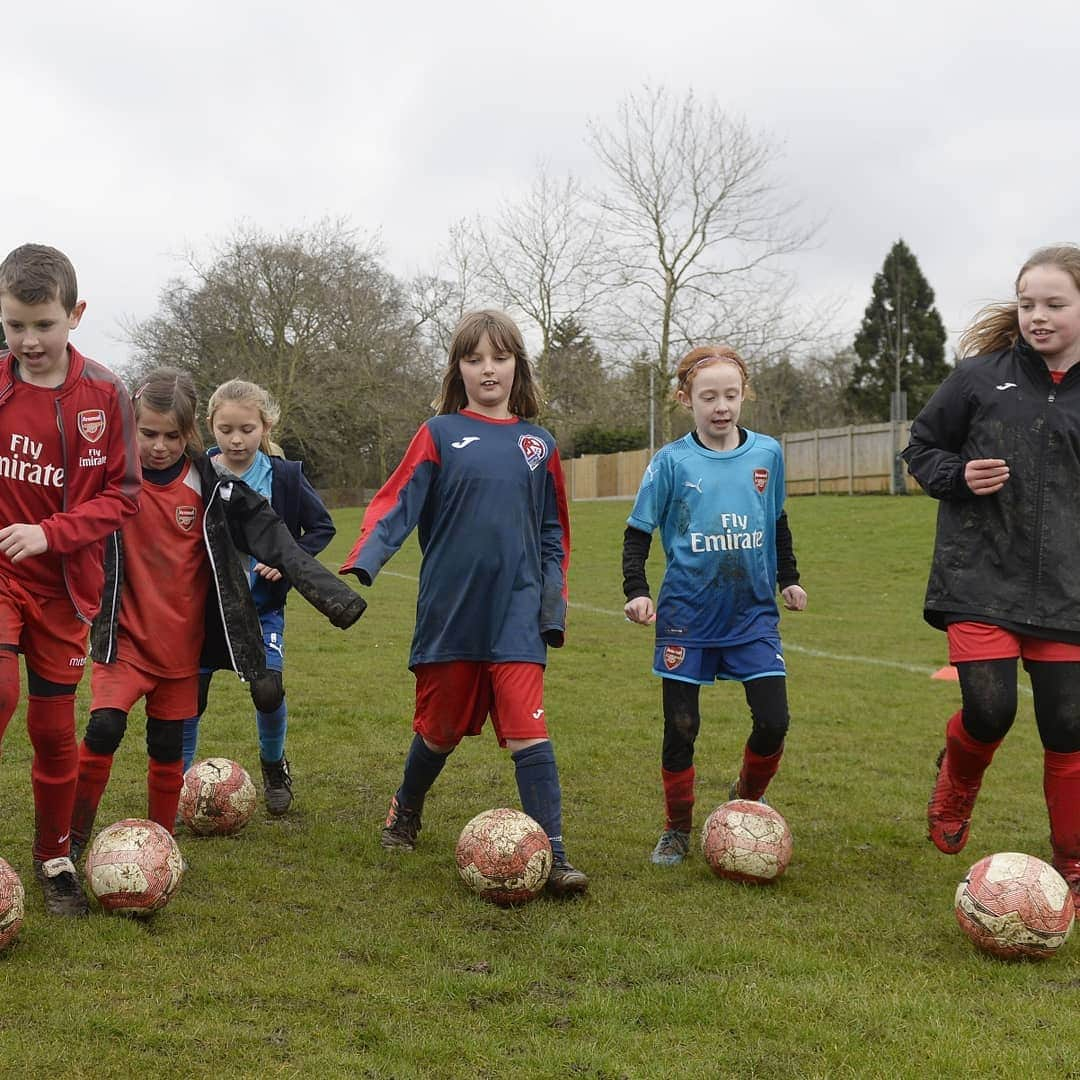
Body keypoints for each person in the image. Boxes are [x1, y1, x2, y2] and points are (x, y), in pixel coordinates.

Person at [340, 309, 588, 897]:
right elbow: (399, 501)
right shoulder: (440, 434)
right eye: (473, 358)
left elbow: (554, 530)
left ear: (517, 366)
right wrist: (366, 559)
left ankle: (552, 851)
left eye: (499, 357)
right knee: (441, 731)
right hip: (452, 610)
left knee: (531, 730)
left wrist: (551, 602)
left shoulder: (538, 444)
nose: (487, 369)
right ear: (458, 368)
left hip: (517, 612)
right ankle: (408, 805)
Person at [71, 369, 366, 859]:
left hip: (183, 645)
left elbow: (280, 542)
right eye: (148, 434)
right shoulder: (109, 477)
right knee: (104, 727)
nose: (159, 446)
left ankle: (160, 848)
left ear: (189, 433)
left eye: (171, 435)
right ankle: (70, 840)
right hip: (121, 639)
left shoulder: (214, 488)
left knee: (167, 744)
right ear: (130, 427)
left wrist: (336, 598)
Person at [902, 244, 1080, 902]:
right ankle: (956, 784)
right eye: (1027, 303)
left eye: (1054, 304)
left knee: (1069, 727)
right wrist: (959, 476)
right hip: (980, 577)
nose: (1037, 316)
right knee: (991, 707)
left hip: (1068, 589)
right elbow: (921, 449)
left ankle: (1074, 865)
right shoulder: (980, 378)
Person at [622, 345, 807, 866]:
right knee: (681, 727)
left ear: (743, 395)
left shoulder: (767, 454)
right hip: (687, 616)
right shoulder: (671, 462)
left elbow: (777, 522)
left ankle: (748, 796)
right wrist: (636, 590)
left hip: (752, 615)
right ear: (687, 400)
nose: (721, 406)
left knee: (774, 719)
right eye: (709, 397)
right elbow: (637, 533)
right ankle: (676, 829)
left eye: (731, 395)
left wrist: (789, 578)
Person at [0, 243, 140, 916]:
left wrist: (51, 534)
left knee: (55, 732)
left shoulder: (107, 395)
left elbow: (124, 496)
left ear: (75, 315)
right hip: (1, 574)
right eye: (14, 325)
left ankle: (54, 854)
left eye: (43, 324)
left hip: (65, 590)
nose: (28, 340)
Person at [182, 379, 336, 816]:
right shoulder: (197, 472)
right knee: (190, 695)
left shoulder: (285, 477)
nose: (235, 439)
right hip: (204, 611)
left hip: (262, 607)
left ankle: (273, 769)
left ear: (265, 425)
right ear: (210, 425)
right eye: (225, 428)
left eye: (246, 428)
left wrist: (287, 560)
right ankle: (178, 783)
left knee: (268, 690)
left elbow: (320, 527)